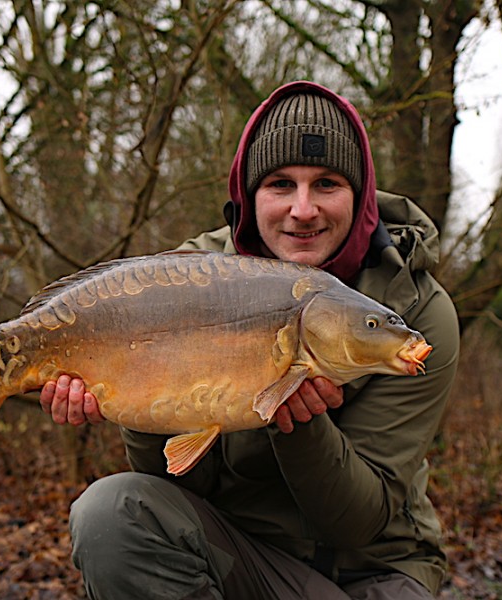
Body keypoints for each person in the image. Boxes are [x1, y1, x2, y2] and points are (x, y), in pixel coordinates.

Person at [39, 81, 460, 599]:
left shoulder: (414, 309)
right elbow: (176, 485)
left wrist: (299, 420)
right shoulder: (188, 279)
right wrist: (138, 404)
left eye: (327, 183)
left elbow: (358, 523)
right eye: (280, 184)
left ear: (361, 195)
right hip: (236, 556)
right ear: (248, 194)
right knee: (113, 512)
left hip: (372, 571)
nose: (303, 210)